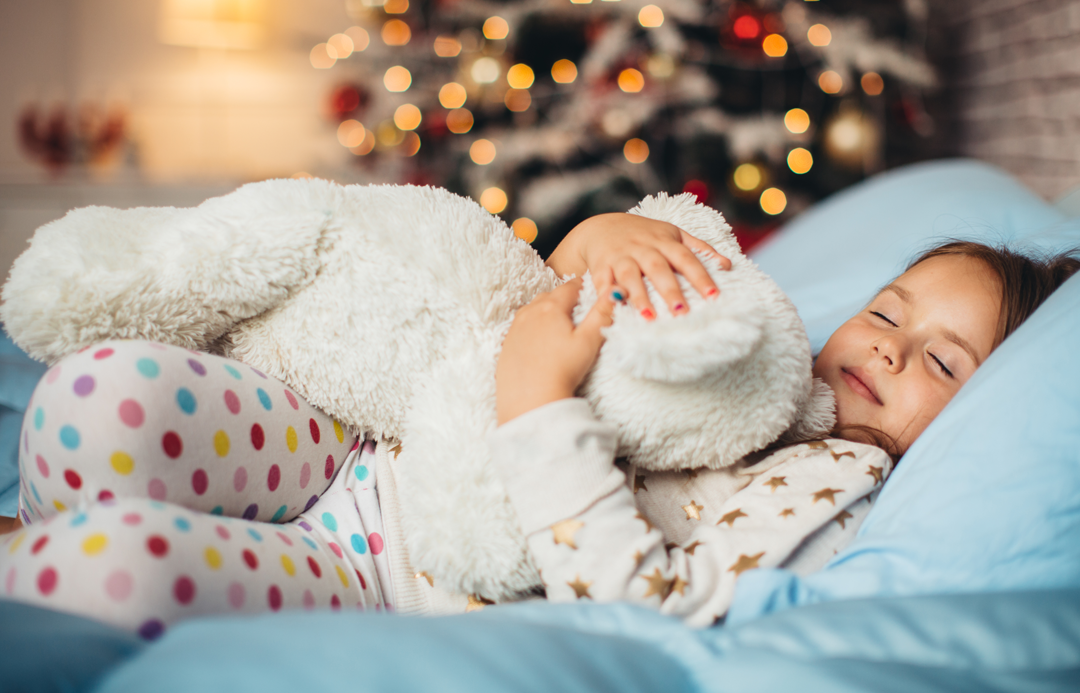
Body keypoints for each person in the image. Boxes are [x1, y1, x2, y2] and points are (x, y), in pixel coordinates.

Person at [0, 214, 1075, 634]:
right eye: (889, 310)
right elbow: (553, 302)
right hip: (376, 449)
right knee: (102, 397)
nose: (887, 346)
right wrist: (603, 236)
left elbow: (661, 600)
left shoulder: (834, 492)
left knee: (110, 574)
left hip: (407, 577)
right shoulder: (768, 344)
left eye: (942, 359)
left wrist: (535, 405)